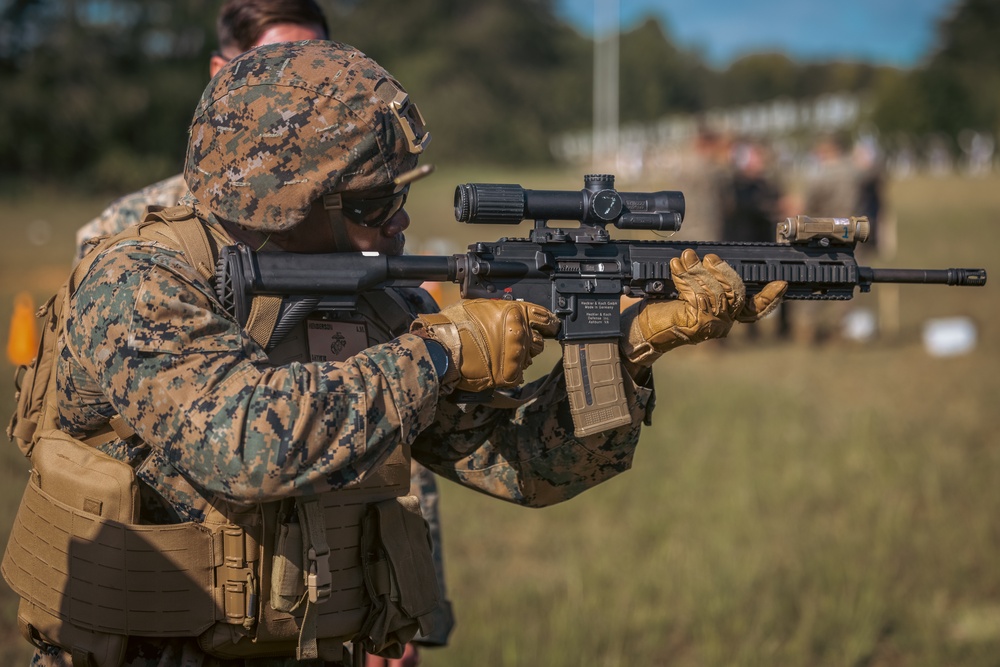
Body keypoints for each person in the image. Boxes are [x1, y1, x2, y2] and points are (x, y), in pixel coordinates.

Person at [5, 41, 786, 667]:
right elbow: (241, 442)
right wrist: (443, 350)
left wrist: (630, 348)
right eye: (378, 202)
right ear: (288, 201)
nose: (400, 220)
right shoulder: (137, 281)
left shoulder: (377, 302)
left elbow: (522, 464)